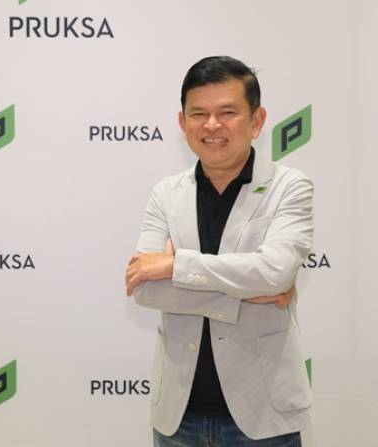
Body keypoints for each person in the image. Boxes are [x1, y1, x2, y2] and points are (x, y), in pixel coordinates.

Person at [125, 56, 314, 446]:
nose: (212, 125)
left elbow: (274, 273)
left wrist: (175, 266)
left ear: (257, 120)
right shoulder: (165, 193)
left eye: (227, 112)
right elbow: (145, 288)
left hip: (263, 415)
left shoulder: (289, 187)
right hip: (179, 417)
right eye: (199, 114)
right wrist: (247, 291)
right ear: (182, 123)